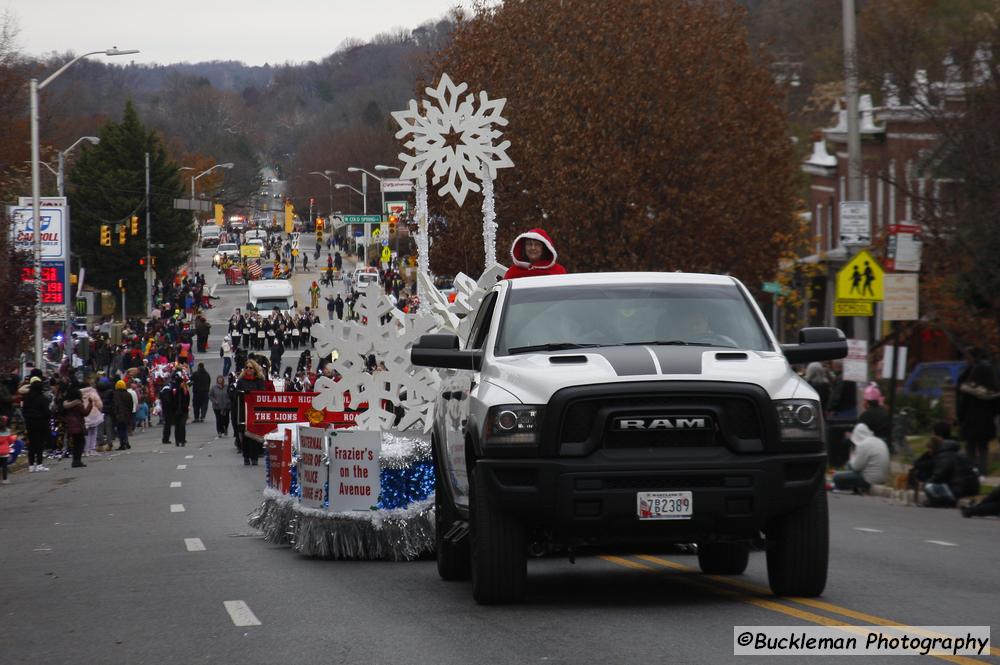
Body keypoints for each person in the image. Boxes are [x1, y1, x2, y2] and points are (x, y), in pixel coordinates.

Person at [911, 422, 980, 507]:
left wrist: (926, 483)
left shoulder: (944, 455)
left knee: (929, 486)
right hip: (968, 486)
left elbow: (939, 474)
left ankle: (942, 501)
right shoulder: (953, 450)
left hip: (959, 487)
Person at [955, 347, 999, 481]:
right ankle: (982, 472)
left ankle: (972, 472)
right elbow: (997, 407)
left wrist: (960, 418)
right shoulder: (993, 390)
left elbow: (962, 404)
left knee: (971, 447)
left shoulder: (969, 388)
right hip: (986, 421)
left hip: (971, 420)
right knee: (983, 447)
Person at [831, 422, 890, 493]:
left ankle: (846, 487)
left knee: (836, 476)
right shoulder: (880, 441)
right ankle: (848, 487)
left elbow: (855, 467)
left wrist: (852, 456)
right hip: (882, 479)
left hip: (868, 480)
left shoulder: (864, 444)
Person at [503, 228, 567, 279]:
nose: (533, 248)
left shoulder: (558, 271)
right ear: (524, 248)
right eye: (529, 244)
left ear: (544, 248)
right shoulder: (513, 272)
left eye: (537, 244)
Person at [235, 362, 267, 465]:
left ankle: (255, 457)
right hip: (244, 410)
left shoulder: (259, 381)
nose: (248, 369)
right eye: (247, 367)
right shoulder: (241, 381)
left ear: (254, 369)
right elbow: (236, 394)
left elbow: (262, 393)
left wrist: (252, 393)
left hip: (255, 410)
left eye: (250, 368)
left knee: (254, 435)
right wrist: (243, 393)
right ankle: (246, 456)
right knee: (245, 435)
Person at [21, 377, 51, 472]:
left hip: (29, 422)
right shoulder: (42, 398)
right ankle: (39, 464)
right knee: (40, 443)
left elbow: (24, 410)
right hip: (41, 422)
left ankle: (31, 465)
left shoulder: (26, 398)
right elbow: (47, 412)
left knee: (31, 443)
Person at [62, 383, 94, 468]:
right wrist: (90, 404)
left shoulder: (67, 404)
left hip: (70, 425)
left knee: (76, 443)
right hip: (78, 425)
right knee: (80, 443)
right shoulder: (78, 404)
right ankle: (77, 461)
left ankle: (75, 461)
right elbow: (85, 413)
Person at [81, 378, 104, 456]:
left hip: (84, 415)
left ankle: (85, 450)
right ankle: (92, 449)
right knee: (94, 432)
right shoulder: (92, 392)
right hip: (93, 415)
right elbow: (99, 404)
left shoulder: (79, 393)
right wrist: (100, 410)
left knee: (86, 434)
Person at [112, 380, 133, 450]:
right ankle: (126, 442)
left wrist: (115, 414)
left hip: (119, 415)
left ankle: (122, 444)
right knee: (124, 429)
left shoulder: (115, 394)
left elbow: (115, 405)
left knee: (120, 430)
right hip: (127, 415)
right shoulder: (128, 394)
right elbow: (131, 406)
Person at [0, 416, 15, 483]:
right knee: (4, 466)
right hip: (4, 451)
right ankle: (5, 479)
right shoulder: (7, 431)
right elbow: (10, 441)